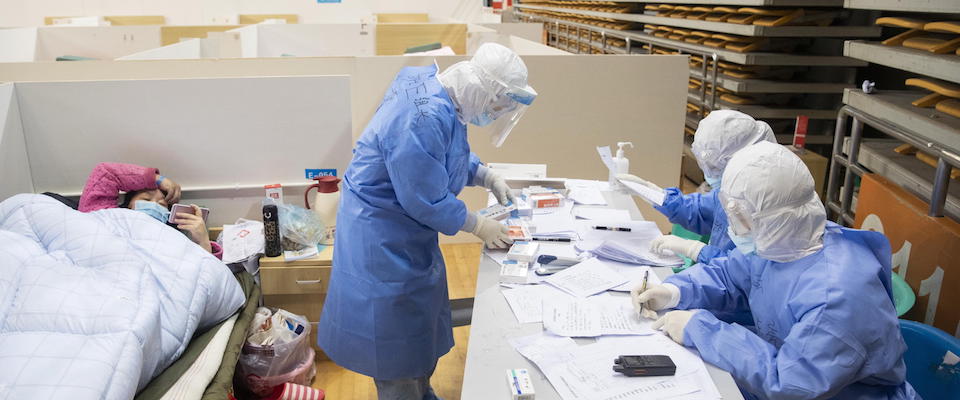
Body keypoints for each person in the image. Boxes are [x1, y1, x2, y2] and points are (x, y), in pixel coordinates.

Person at [318, 43, 537, 400]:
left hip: (402, 227)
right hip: (380, 235)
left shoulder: (438, 92)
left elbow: (441, 152)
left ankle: (419, 390)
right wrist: (479, 225)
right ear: (481, 88)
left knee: (417, 325)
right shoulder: (420, 118)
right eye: (496, 103)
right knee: (394, 339)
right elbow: (424, 196)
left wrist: (482, 174)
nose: (495, 112)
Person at [632, 142, 918, 399]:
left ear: (773, 218)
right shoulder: (784, 243)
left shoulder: (836, 298)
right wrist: (674, 291)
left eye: (739, 217)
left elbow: (792, 382)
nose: (734, 228)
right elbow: (731, 275)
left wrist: (702, 330)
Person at [618, 110, 775, 264]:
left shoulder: (770, 205)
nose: (711, 173)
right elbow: (699, 211)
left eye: (716, 167)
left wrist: (696, 250)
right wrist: (654, 194)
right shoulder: (732, 190)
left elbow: (743, 273)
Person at [79, 162, 220, 257]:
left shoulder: (174, 240)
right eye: (146, 200)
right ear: (128, 205)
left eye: (162, 205)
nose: (154, 205)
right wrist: (158, 179)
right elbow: (105, 173)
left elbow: (207, 274)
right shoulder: (105, 216)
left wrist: (203, 242)